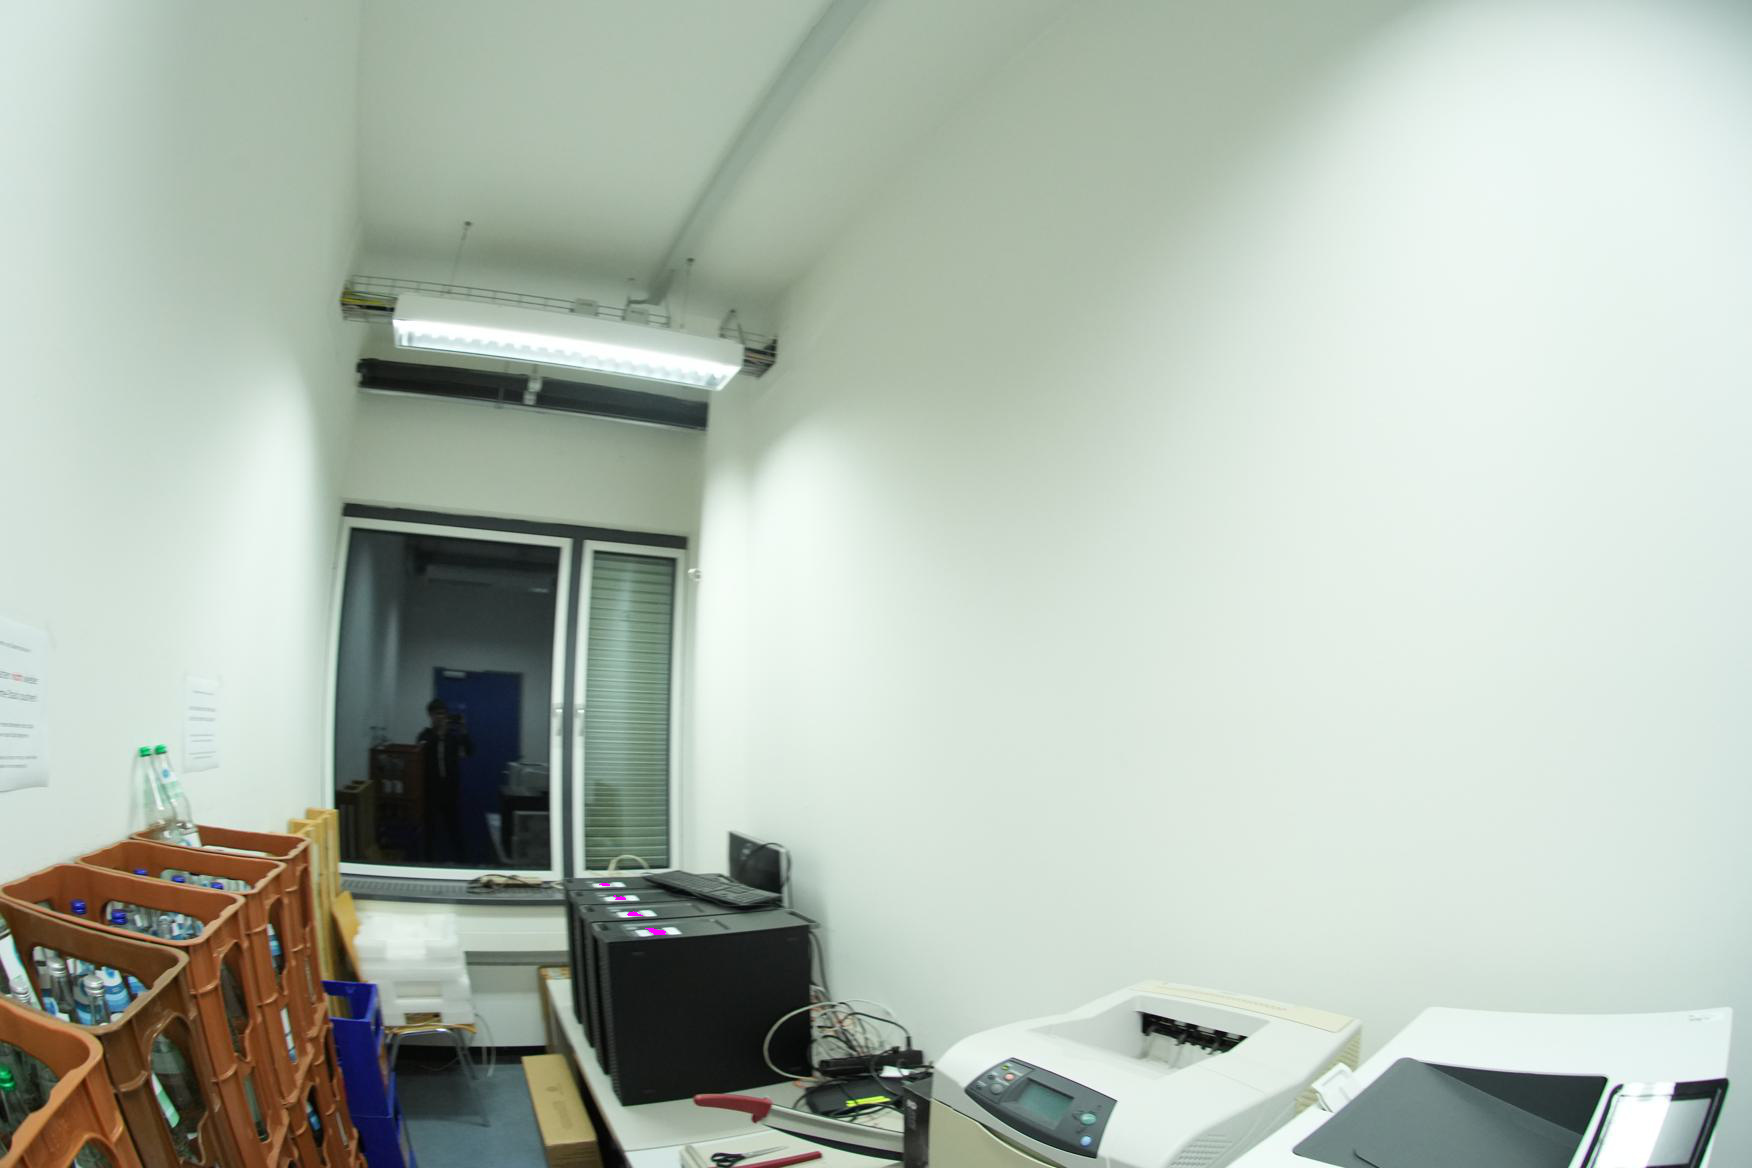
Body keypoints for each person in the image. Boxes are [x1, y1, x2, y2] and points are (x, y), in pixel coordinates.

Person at [415, 699, 473, 863]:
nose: (441, 717)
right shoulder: (425, 736)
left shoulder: (453, 737)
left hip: (450, 792)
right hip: (430, 792)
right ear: (430, 715)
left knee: (455, 830)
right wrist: (438, 735)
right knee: (430, 831)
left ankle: (462, 864)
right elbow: (421, 752)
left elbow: (469, 751)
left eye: (443, 714)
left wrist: (464, 730)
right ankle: (428, 864)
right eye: (437, 714)